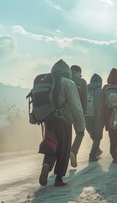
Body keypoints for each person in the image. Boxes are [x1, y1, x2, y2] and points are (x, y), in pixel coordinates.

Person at [39, 59, 85, 187]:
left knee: (51, 145)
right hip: (64, 121)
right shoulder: (69, 83)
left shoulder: (48, 81)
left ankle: (46, 165)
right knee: (64, 149)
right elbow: (76, 107)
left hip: (49, 120)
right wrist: (81, 126)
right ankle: (58, 178)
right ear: (67, 72)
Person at [69, 65, 87, 168]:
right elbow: (84, 102)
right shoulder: (82, 81)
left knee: (65, 136)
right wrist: (83, 117)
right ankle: (73, 151)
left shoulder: (64, 78)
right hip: (76, 112)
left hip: (61, 113)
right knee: (80, 132)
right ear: (79, 73)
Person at [85, 74, 104, 162]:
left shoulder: (85, 89)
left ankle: (97, 150)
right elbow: (101, 105)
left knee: (93, 134)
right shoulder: (100, 91)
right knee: (97, 137)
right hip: (98, 115)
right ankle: (92, 155)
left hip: (86, 115)